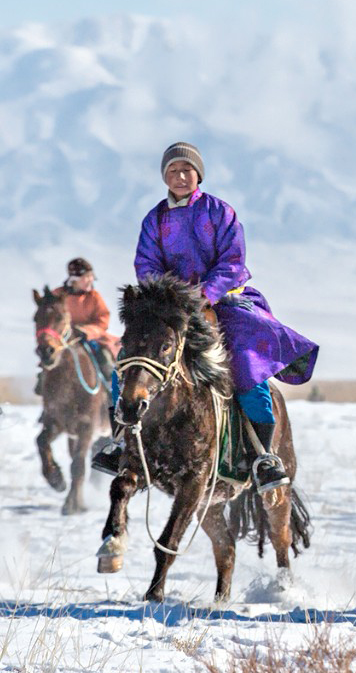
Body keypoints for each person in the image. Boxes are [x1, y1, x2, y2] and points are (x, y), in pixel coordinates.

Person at [90, 142, 319, 493]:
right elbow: (146, 263)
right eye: (172, 171)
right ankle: (119, 441)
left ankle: (262, 456)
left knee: (246, 364)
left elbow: (233, 260)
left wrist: (205, 293)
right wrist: (168, 294)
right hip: (171, 308)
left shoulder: (220, 212)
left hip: (223, 301)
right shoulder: (155, 219)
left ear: (198, 174)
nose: (180, 177)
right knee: (130, 361)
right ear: (164, 177)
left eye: (186, 170)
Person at [36, 258, 121, 395]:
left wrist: (86, 331)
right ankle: (45, 389)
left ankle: (111, 392)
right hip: (62, 340)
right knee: (50, 357)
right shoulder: (57, 294)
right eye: (86, 277)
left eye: (91, 276)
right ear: (75, 278)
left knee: (104, 358)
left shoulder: (94, 297)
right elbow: (48, 317)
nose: (90, 280)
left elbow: (103, 320)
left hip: (90, 338)